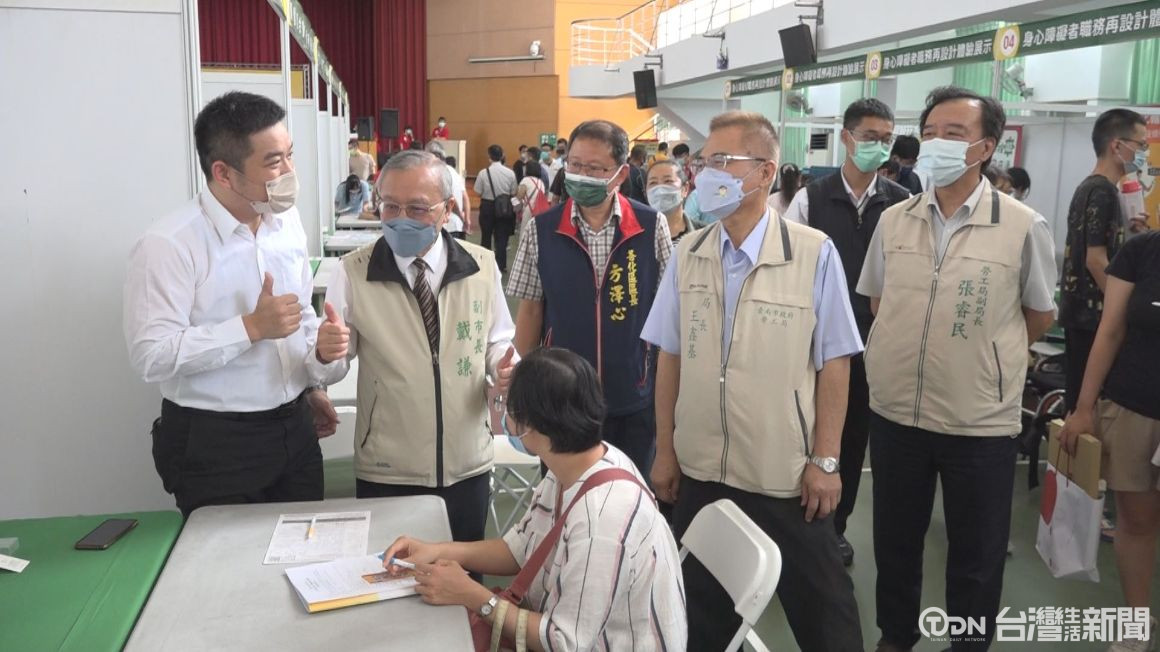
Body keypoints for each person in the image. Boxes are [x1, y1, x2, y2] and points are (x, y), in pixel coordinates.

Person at [643, 110, 864, 651]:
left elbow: (836, 363)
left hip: (784, 476)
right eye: (703, 162)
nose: (704, 174)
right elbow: (670, 356)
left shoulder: (812, 253)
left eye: (722, 161)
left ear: (765, 172)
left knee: (828, 622)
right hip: (702, 473)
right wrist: (666, 450)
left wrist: (826, 460)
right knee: (699, 623)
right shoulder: (689, 254)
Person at [857, 86, 1058, 652]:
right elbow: (878, 301)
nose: (937, 143)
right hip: (897, 412)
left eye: (954, 133)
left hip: (979, 422)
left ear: (985, 148)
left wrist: (985, 358)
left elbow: (1039, 314)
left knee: (976, 555)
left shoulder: (1022, 225)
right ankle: (895, 638)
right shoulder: (894, 220)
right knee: (895, 543)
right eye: (931, 132)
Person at [380, 347, 686, 651]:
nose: (506, 420)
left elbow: (563, 642)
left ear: (532, 426)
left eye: (507, 408)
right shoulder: (574, 462)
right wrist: (436, 550)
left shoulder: (602, 520)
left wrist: (472, 594)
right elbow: (521, 548)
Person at [124, 91, 338, 518]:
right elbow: (151, 356)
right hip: (216, 442)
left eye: (290, 155)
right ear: (223, 173)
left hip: (295, 429)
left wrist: (314, 373)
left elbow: (300, 315)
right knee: (228, 557)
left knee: (301, 546)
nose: (290, 172)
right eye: (274, 162)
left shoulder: (286, 222)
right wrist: (250, 328)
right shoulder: (169, 244)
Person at [309, 150, 517, 544]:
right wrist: (325, 353)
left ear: (447, 210)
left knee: (462, 569)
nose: (400, 218)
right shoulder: (354, 271)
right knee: (389, 570)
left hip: (466, 459)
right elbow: (332, 368)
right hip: (388, 465)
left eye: (418, 208)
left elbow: (496, 340)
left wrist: (504, 365)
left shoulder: (481, 266)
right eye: (390, 206)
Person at [781, 98, 912, 568]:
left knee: (852, 440)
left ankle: (835, 528)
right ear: (846, 138)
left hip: (872, 345)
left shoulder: (900, 203)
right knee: (802, 431)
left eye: (886, 138)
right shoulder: (811, 199)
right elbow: (788, 267)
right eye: (869, 137)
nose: (878, 146)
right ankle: (794, 526)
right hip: (812, 344)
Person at [508, 119, 672, 481]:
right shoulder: (542, 229)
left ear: (621, 173)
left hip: (633, 395)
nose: (581, 175)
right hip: (560, 398)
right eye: (575, 165)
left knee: (629, 491)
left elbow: (667, 313)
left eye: (595, 168)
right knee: (564, 496)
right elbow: (531, 310)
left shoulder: (650, 226)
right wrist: (521, 387)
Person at [1059, 231, 1160, 652]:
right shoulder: (1142, 251)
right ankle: (1136, 623)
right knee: (1136, 522)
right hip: (1134, 408)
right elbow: (1110, 331)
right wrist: (1084, 407)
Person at [1060, 109, 1143, 415]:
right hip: (1092, 316)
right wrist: (1123, 308)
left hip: (1080, 313)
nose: (1143, 153)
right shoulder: (1102, 191)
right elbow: (1096, 261)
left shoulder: (1091, 187)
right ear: (1117, 145)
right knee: (1087, 408)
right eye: (1140, 145)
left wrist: (1132, 231)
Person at [474, 144, 519, 271]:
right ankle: (501, 265)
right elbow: (514, 191)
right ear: (502, 156)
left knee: (486, 236)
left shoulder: (483, 173)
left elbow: (477, 191)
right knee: (502, 238)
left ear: (489, 156)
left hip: (487, 207)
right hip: (504, 207)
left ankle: (485, 264)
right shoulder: (510, 173)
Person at [646, 158, 697, 245]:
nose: (660, 190)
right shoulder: (634, 236)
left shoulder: (706, 234)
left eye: (668, 181)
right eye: (653, 183)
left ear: (685, 189)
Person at [426, 141, 472, 239]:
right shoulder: (454, 172)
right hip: (458, 226)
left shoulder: (437, 172)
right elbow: (465, 198)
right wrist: (466, 219)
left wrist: (462, 217)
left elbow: (450, 197)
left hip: (447, 226)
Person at [515, 159, 548, 226]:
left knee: (525, 229)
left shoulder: (526, 180)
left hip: (529, 211)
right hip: (539, 210)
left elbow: (519, 197)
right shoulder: (540, 182)